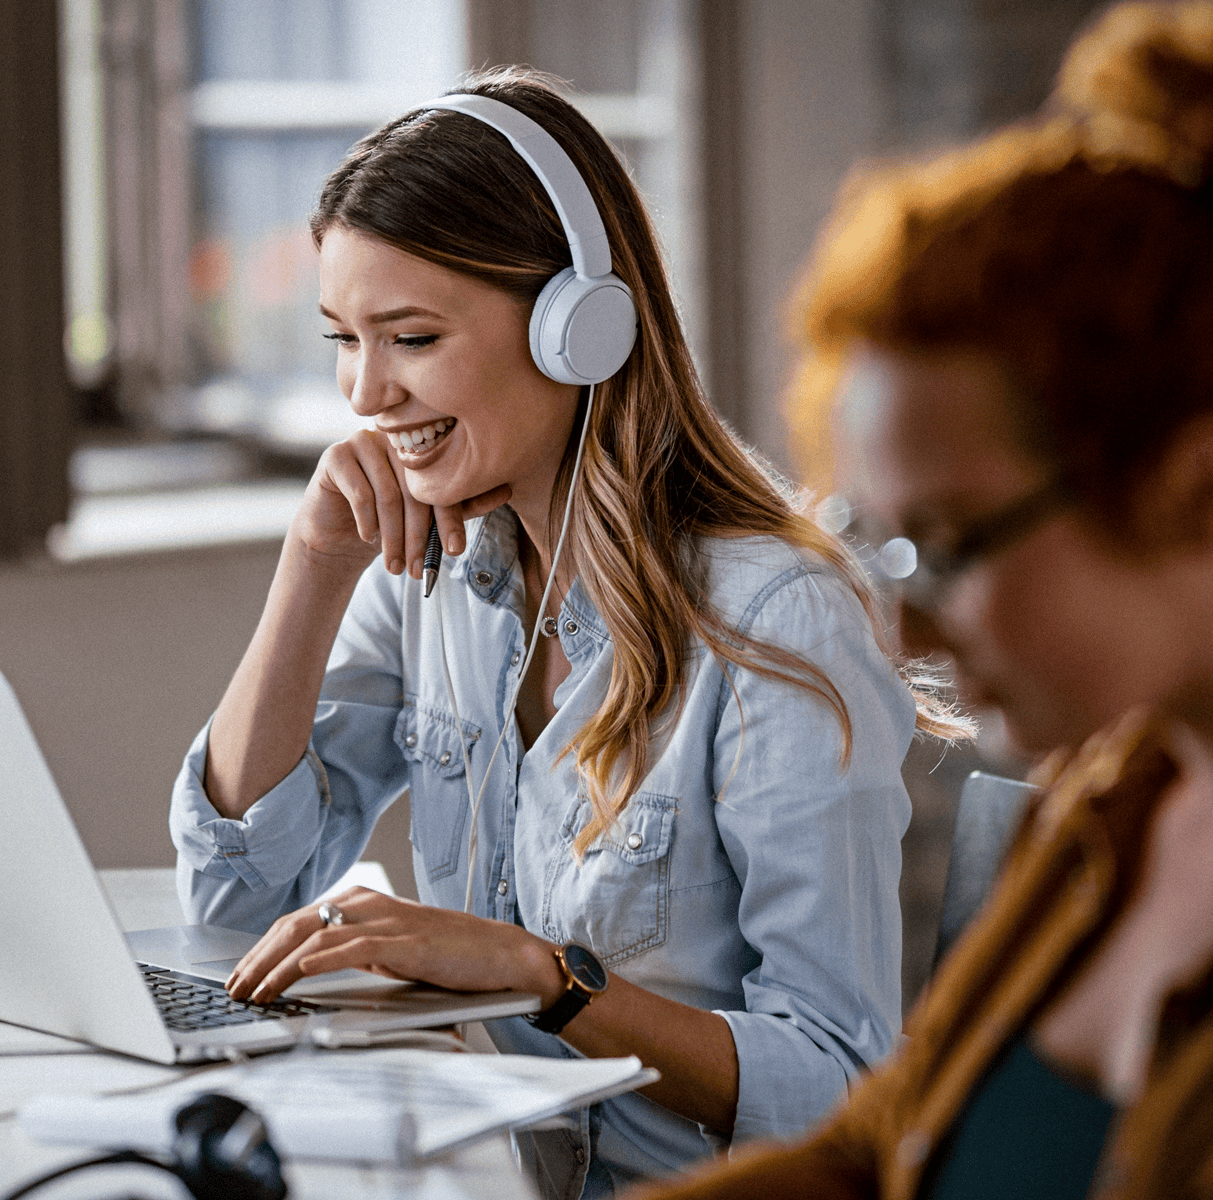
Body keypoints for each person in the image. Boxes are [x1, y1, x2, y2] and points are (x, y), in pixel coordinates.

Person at [168, 69, 961, 1196]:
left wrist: (549, 980)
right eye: (345, 338)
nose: (366, 393)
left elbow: (840, 1083)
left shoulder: (774, 623)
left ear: (577, 329)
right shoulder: (432, 570)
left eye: (412, 338)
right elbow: (234, 892)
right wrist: (313, 568)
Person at [632, 4, 1213, 1199]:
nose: (903, 630)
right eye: (887, 544)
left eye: (951, 544)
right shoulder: (1109, 809)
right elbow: (883, 1152)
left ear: (1205, 493)